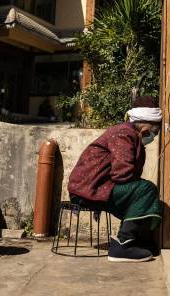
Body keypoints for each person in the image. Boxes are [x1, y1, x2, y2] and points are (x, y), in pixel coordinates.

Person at [68, 96, 162, 262]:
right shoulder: (124, 133)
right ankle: (123, 245)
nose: (153, 137)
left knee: (143, 192)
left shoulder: (132, 135)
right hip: (87, 191)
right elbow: (122, 174)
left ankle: (138, 241)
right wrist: (137, 188)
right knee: (146, 190)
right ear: (146, 128)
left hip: (99, 188)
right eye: (154, 132)